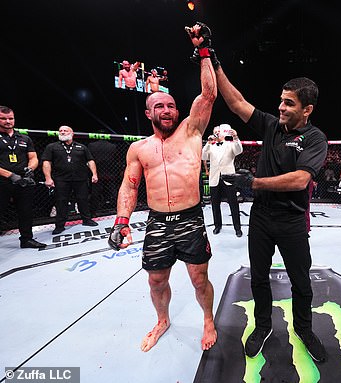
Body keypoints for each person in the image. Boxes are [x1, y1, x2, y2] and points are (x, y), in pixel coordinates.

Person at [107, 22, 217, 352]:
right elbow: (129, 187)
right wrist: (121, 222)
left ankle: (208, 319)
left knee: (199, 278)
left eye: (170, 105)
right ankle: (162, 320)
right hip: (157, 222)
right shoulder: (139, 149)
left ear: (177, 110)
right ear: (148, 112)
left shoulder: (192, 131)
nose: (166, 110)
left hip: (191, 219)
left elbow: (209, 93)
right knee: (156, 279)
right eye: (159, 106)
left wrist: (203, 51)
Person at [214, 59, 328, 362]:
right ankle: (262, 326)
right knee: (259, 278)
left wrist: (254, 183)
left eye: (289, 103)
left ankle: (304, 329)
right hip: (262, 219)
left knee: (301, 282)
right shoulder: (271, 126)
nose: (280, 107)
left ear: (307, 110)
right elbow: (236, 103)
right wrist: (213, 63)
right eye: (280, 100)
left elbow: (301, 180)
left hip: (291, 221)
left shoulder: (315, 139)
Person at [0, 106, 46, 248]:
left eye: (10, 118)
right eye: (3, 118)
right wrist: (10, 175)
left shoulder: (24, 138)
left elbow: (33, 157)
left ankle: (26, 239)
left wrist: (30, 169)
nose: (8, 121)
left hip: (23, 181)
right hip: (2, 181)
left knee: (25, 211)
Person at [42, 125, 99, 234]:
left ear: (72, 133)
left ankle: (86, 219)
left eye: (65, 130)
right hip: (61, 179)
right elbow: (46, 162)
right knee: (61, 201)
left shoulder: (81, 147)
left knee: (83, 199)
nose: (62, 132)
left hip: (80, 178)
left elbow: (90, 160)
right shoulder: (52, 147)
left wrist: (94, 174)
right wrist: (48, 178)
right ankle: (59, 225)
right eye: (60, 131)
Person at [201, 123, 243, 237]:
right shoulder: (211, 146)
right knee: (215, 204)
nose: (216, 133)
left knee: (233, 204)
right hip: (214, 178)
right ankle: (217, 226)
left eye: (218, 131)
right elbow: (203, 157)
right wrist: (208, 144)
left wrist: (236, 137)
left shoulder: (230, 145)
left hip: (228, 178)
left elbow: (239, 150)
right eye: (215, 132)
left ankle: (237, 228)